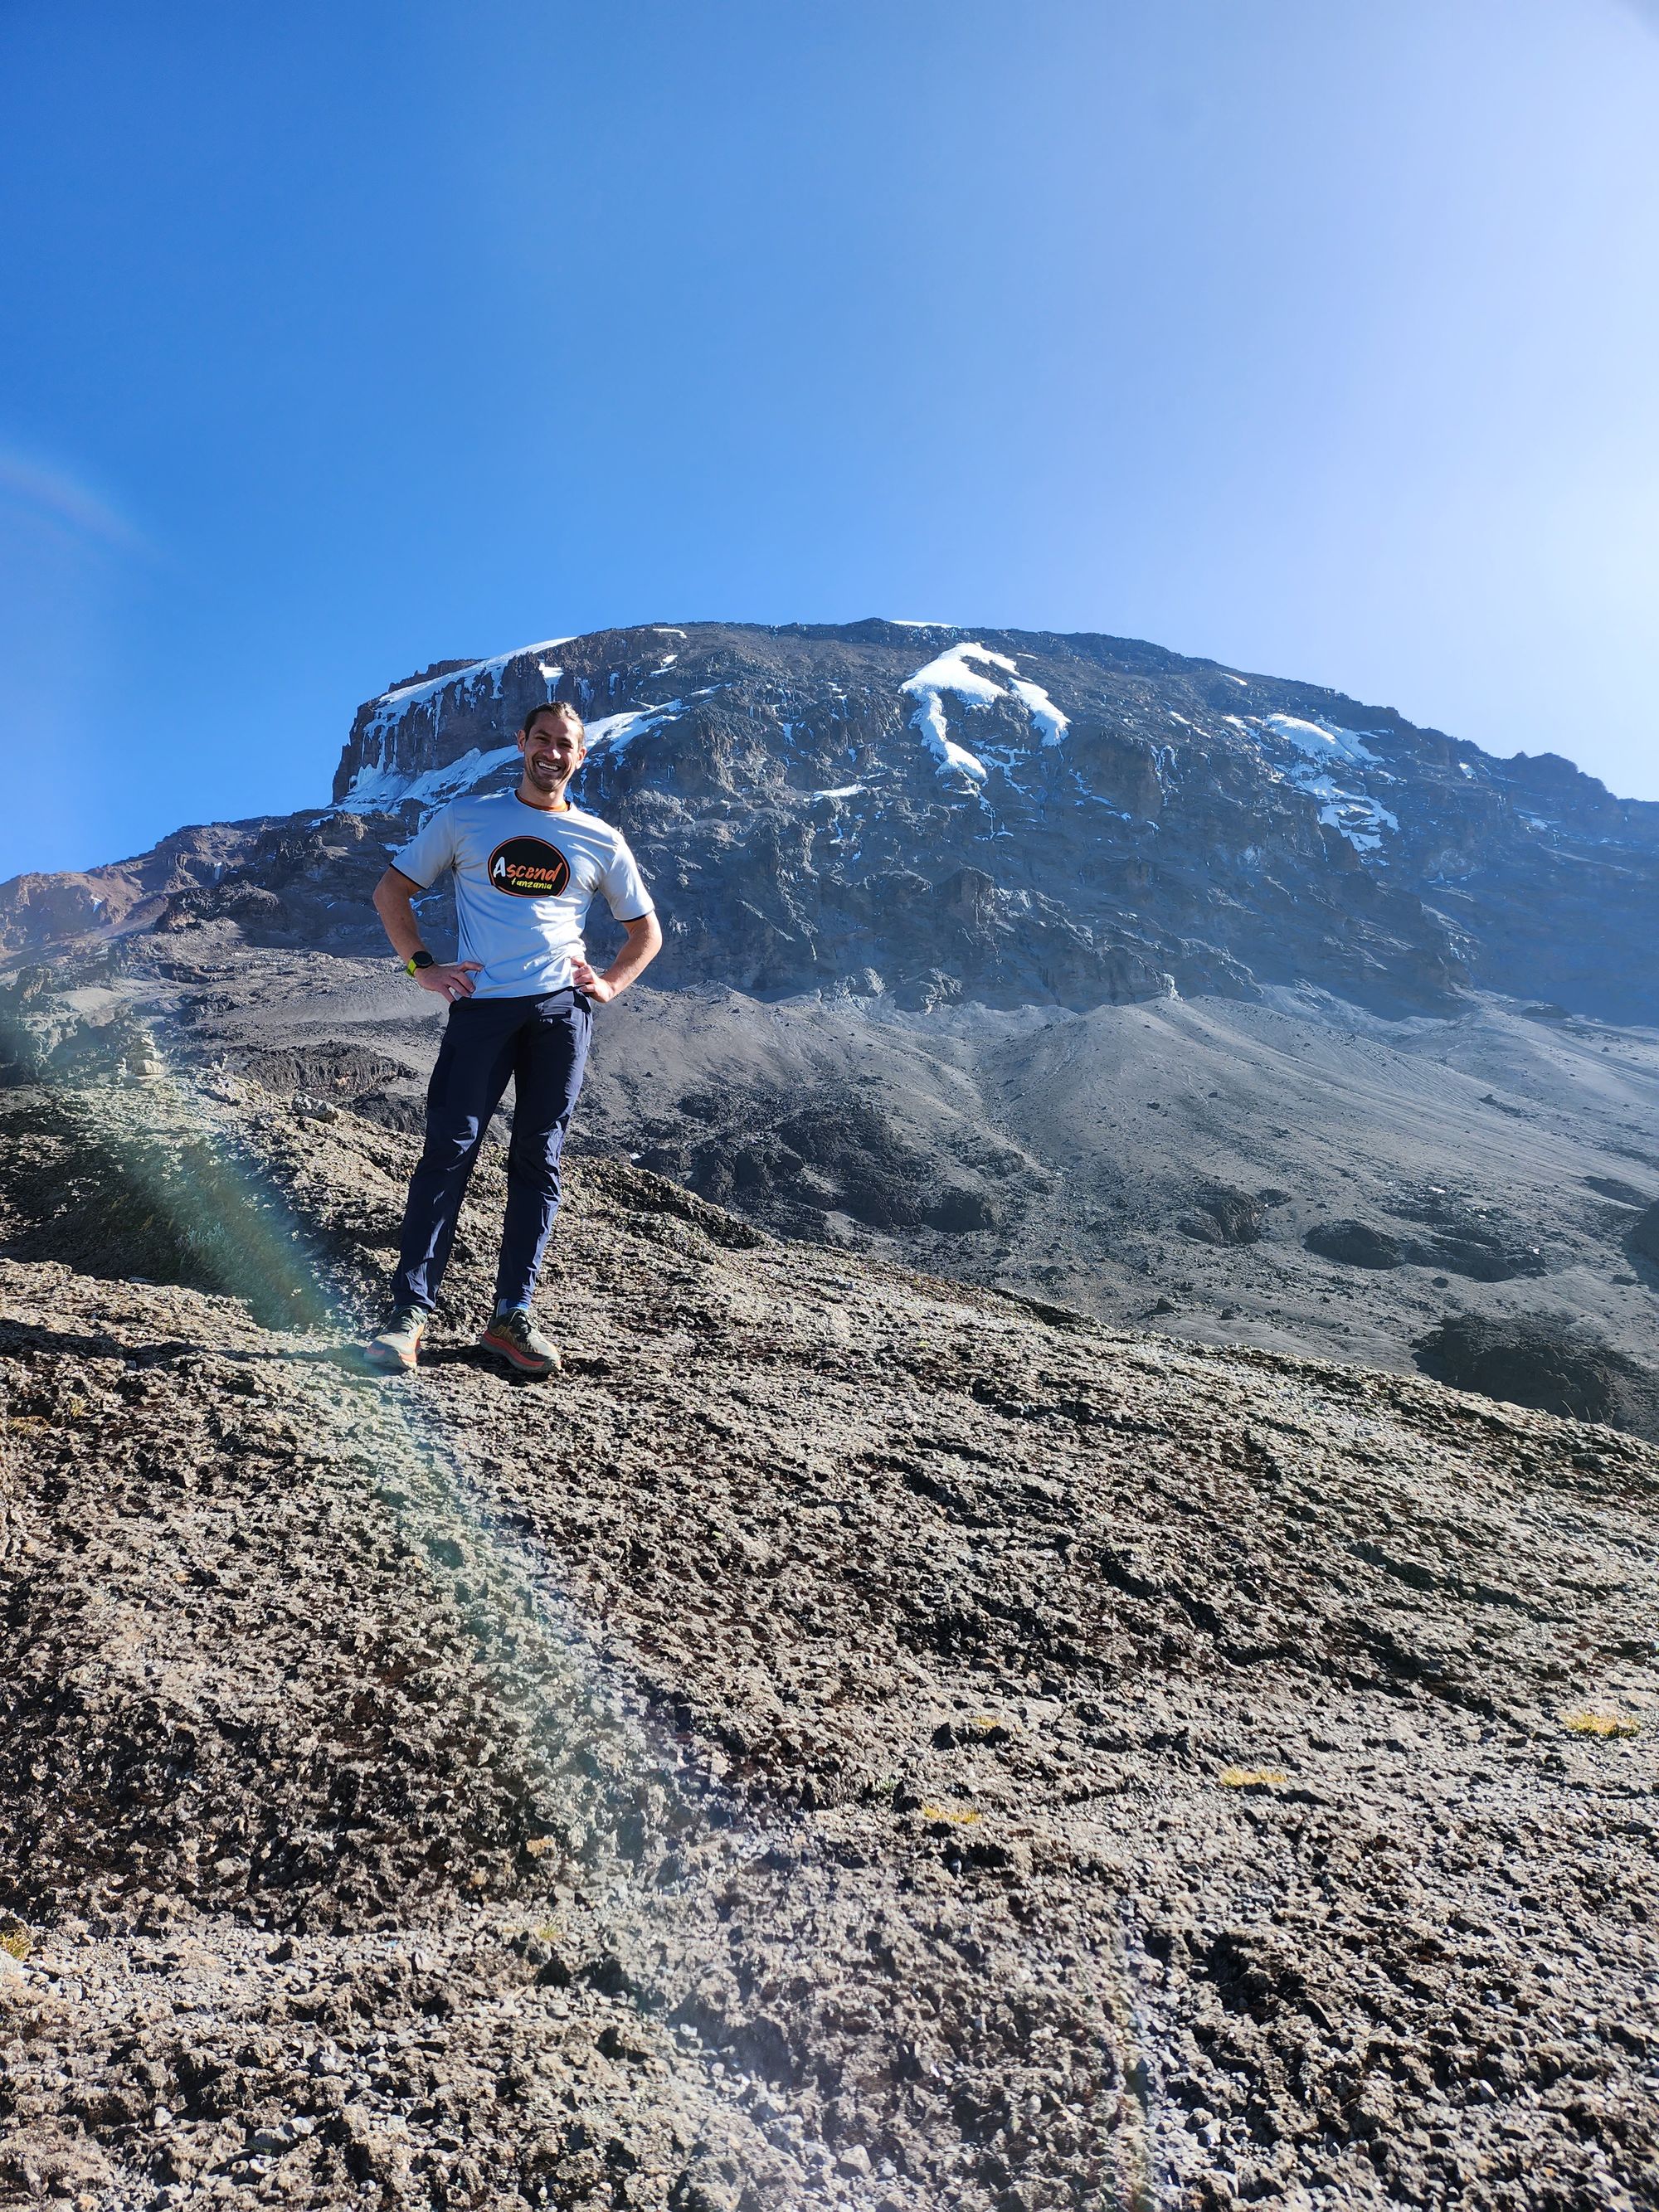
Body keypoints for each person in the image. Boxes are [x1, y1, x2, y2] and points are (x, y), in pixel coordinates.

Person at [362, 700, 661, 1376]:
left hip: (561, 1013)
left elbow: (647, 931)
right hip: (483, 1008)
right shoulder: (468, 818)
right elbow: (391, 891)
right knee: (449, 1150)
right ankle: (409, 1314)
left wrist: (608, 985)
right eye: (543, 740)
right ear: (521, 743)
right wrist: (423, 966)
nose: (553, 754)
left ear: (580, 757)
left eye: (566, 746)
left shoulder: (599, 838)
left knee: (539, 1157)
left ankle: (511, 1316)